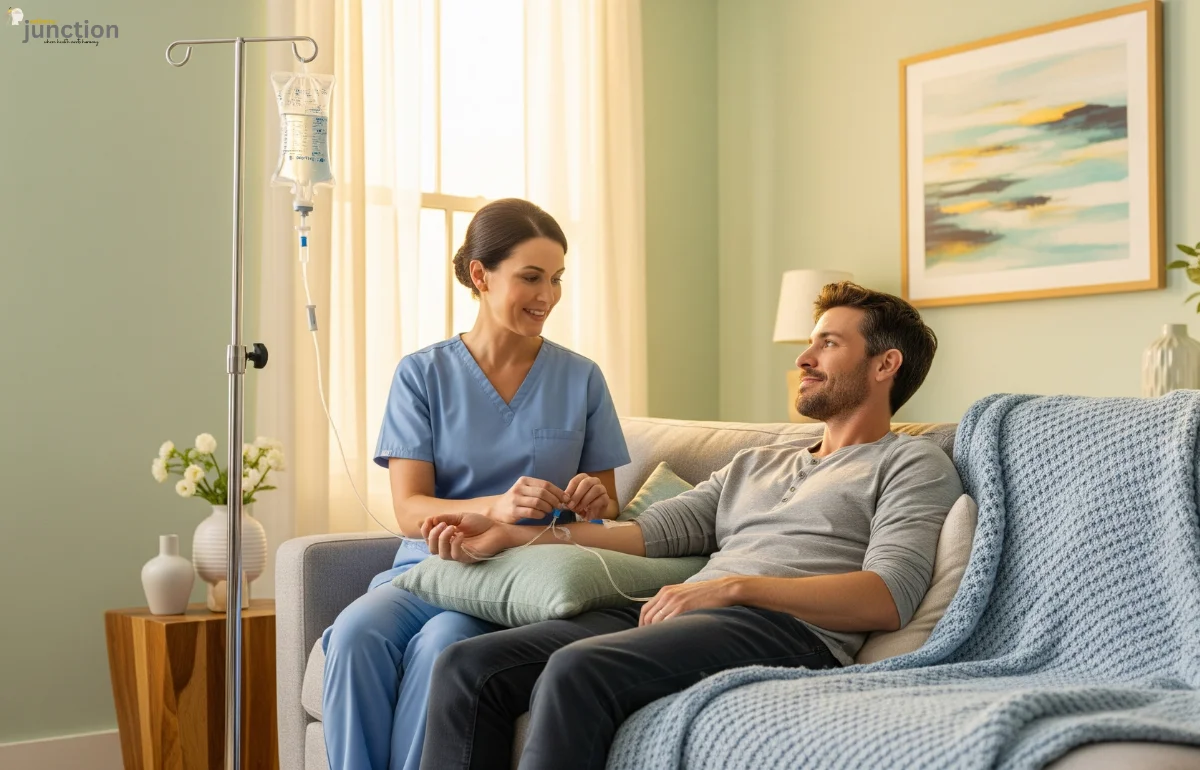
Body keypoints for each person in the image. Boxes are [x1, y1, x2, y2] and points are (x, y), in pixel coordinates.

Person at [416, 282, 965, 770]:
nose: (804, 358)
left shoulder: (911, 463)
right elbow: (647, 533)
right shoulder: (756, 463)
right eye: (810, 342)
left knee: (577, 669)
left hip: (785, 631)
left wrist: (732, 589)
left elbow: (888, 597)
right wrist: (510, 533)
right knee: (469, 665)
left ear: (885, 365)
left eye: (829, 343)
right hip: (685, 611)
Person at [320, 198, 632, 770]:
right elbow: (410, 508)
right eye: (531, 277)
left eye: (557, 279)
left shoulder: (581, 378)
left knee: (442, 646)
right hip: (429, 564)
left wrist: (594, 499)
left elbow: (606, 502)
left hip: (516, 576)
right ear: (480, 275)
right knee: (354, 633)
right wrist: (498, 506)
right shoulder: (422, 374)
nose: (547, 296)